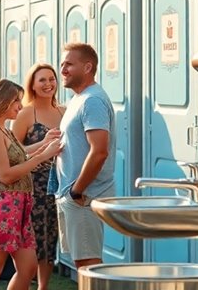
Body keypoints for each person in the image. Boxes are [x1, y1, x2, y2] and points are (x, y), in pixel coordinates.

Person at [0, 79, 62, 290]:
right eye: (16, 100)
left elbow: (19, 155)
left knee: (28, 266)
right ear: (2, 102)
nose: (20, 105)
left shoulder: (2, 129)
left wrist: (43, 144)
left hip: (18, 205)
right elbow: (5, 175)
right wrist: (43, 155)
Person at [56, 43, 116, 269]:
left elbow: (99, 151)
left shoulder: (92, 100)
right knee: (82, 262)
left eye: (69, 64)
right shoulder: (78, 99)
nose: (62, 69)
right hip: (74, 196)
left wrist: (77, 190)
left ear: (88, 67)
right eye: (62, 64)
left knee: (88, 265)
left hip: (84, 196)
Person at [11, 63, 64, 290]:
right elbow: (12, 153)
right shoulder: (24, 113)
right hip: (31, 186)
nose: (48, 84)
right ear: (32, 83)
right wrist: (43, 147)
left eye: (51, 79)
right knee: (32, 241)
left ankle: (44, 286)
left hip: (59, 185)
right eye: (42, 80)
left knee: (50, 238)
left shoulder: (64, 111)